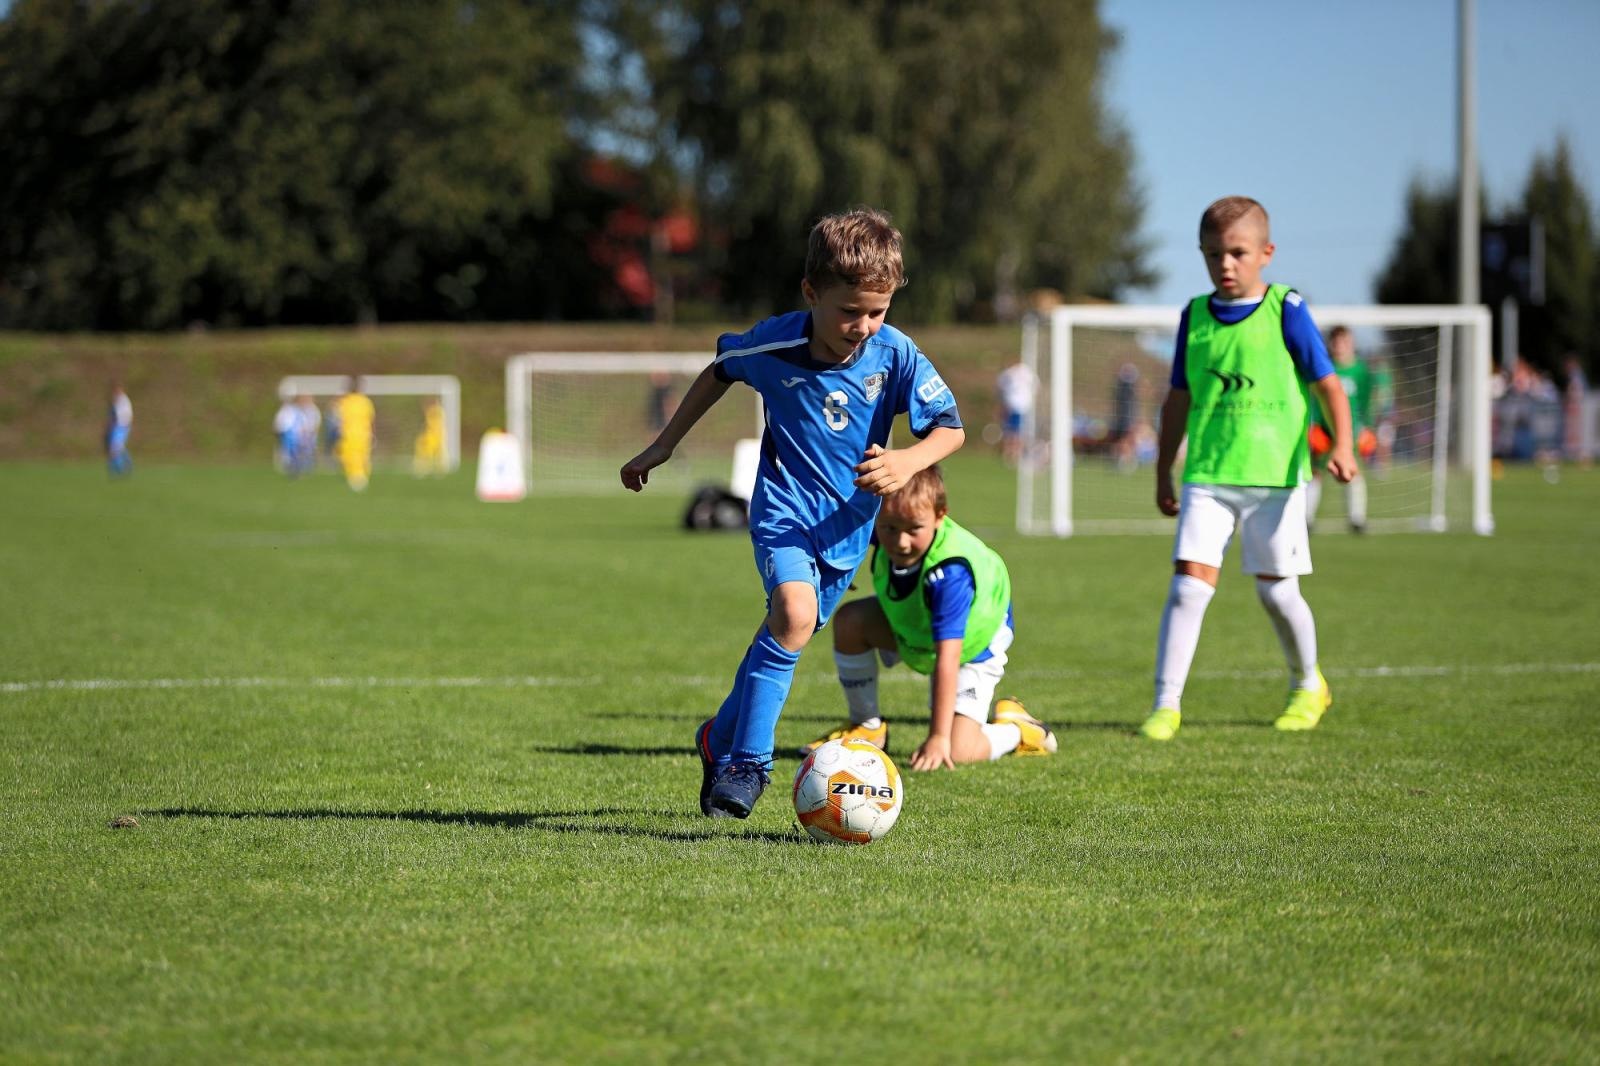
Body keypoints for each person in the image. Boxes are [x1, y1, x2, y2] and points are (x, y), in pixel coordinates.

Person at [621, 207, 965, 818]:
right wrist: (664, 444)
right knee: (793, 613)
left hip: (849, 529)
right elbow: (717, 372)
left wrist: (909, 462)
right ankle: (748, 765)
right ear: (811, 293)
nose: (863, 326)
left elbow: (950, 429)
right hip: (783, 510)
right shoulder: (775, 342)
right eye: (848, 311)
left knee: (790, 632)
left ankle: (716, 738)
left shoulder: (896, 353)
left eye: (877, 311)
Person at [1140, 196, 1356, 741]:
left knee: (1277, 593)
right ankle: (1166, 706)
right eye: (1213, 255)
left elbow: (1328, 384)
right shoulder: (1194, 316)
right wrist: (1163, 469)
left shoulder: (1287, 308)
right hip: (1208, 476)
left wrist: (1343, 446)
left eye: (1237, 253)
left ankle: (1309, 684)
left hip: (1276, 481)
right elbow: (1177, 401)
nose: (1225, 265)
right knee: (1189, 588)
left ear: (1266, 252)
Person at [799, 465, 1056, 769]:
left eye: (913, 529)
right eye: (890, 528)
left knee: (958, 750)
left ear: (940, 515)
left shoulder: (950, 575)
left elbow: (948, 658)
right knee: (851, 621)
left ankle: (1020, 730)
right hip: (920, 626)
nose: (901, 541)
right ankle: (867, 727)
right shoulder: (888, 524)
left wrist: (937, 737)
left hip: (972, 645)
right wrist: (835, 565)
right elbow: (839, 527)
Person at [1306, 325, 1377, 532]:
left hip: (1351, 431)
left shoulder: (1361, 371)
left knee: (1353, 471)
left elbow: (1366, 402)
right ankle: (1306, 518)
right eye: (1335, 341)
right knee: (1316, 471)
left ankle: (1357, 519)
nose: (1339, 346)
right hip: (1324, 429)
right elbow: (1315, 400)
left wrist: (1367, 427)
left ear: (1351, 343)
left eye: (1343, 341)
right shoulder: (1324, 368)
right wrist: (1313, 426)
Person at [333, 376, 375, 491]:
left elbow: (339, 419)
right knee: (361, 455)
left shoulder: (345, 402)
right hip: (363, 433)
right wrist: (372, 433)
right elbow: (371, 419)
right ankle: (360, 476)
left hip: (350, 433)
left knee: (351, 455)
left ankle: (356, 477)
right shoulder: (366, 401)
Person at [995, 360, 1037, 465]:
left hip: (1022, 407)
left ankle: (1015, 454)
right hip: (1013, 406)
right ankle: (1011, 454)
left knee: (1017, 432)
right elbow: (1000, 387)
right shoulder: (1009, 373)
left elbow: (1035, 387)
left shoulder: (1026, 372)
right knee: (1012, 431)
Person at [413, 396, 447, 476]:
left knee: (436, 453)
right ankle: (425, 469)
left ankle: (436, 470)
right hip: (432, 435)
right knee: (425, 451)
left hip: (436, 436)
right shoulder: (436, 411)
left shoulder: (436, 411)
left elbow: (434, 424)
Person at [105, 383, 133, 478]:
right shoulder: (119, 400)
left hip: (122, 426)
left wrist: (124, 425)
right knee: (117, 447)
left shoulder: (123, 400)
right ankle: (124, 466)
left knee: (116, 448)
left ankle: (120, 469)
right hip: (118, 427)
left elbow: (126, 415)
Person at [294, 395, 322, 475]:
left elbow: (317, 421)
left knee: (311, 450)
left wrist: (313, 431)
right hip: (302, 434)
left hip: (311, 433)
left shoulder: (314, 410)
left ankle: (310, 466)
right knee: (301, 450)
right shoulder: (300, 410)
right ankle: (300, 466)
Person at [274, 395, 301, 475]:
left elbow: (298, 421)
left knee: (293, 450)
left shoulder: (294, 410)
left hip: (292, 433)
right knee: (286, 450)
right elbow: (279, 421)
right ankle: (289, 466)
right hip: (285, 432)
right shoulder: (283, 410)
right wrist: (277, 429)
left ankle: (294, 466)